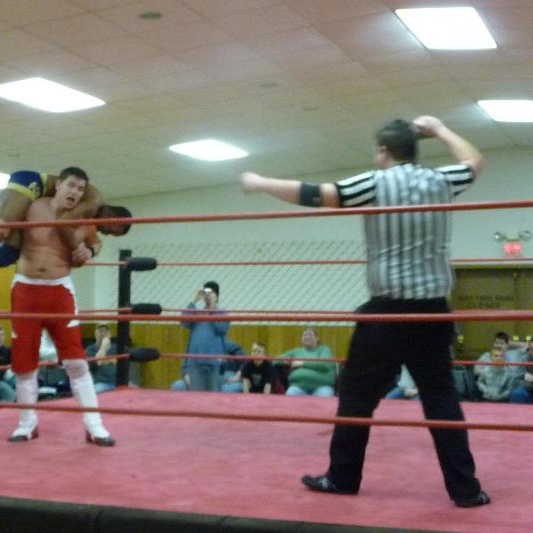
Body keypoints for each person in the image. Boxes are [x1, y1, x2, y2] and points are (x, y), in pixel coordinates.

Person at [241, 115, 489, 507]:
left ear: (383, 151)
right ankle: (466, 490)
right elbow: (475, 161)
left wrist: (260, 183)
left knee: (357, 397)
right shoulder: (440, 180)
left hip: (386, 313)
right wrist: (441, 130)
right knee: (442, 401)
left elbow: (315, 194)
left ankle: (342, 478)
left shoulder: (375, 183)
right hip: (432, 312)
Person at [0, 167, 131, 322]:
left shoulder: (91, 215)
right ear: (113, 218)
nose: (106, 233)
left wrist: (90, 251)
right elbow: (63, 223)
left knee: (13, 248)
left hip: (36, 197)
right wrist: (76, 248)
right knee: (1, 230)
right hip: (31, 183)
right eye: (111, 230)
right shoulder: (93, 205)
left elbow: (95, 242)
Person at [7, 171, 115, 446]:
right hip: (25, 289)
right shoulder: (34, 207)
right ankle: (26, 424)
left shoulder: (83, 218)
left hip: (60, 291)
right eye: (71, 185)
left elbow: (96, 243)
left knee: (76, 361)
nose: (75, 192)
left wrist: (90, 252)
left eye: (80, 188)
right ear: (58, 185)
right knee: (24, 364)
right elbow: (3, 219)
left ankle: (95, 427)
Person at [180, 282, 230, 391]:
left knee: (214, 396)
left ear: (217, 296)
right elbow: (184, 322)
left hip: (215, 362)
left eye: (210, 293)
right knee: (197, 396)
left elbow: (222, 328)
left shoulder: (222, 313)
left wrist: (212, 310)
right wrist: (194, 301)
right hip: (195, 361)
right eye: (205, 293)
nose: (207, 296)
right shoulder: (196, 313)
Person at [273, 329, 336, 397]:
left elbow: (324, 364)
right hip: (298, 387)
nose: (307, 337)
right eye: (305, 335)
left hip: (322, 386)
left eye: (310, 335)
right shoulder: (295, 351)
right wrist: (286, 361)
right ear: (301, 340)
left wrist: (302, 363)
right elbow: (274, 361)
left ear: (317, 338)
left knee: (324, 396)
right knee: (290, 394)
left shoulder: (324, 349)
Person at [85, 323, 118, 394]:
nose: (103, 334)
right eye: (100, 331)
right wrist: (103, 346)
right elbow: (97, 362)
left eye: (105, 331)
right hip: (100, 383)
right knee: (93, 392)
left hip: (118, 383)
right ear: (95, 334)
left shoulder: (116, 348)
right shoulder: (90, 349)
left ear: (109, 334)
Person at [510, 337, 533, 404]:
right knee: (517, 394)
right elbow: (515, 380)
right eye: (531, 349)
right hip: (528, 390)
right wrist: (528, 382)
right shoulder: (524, 360)